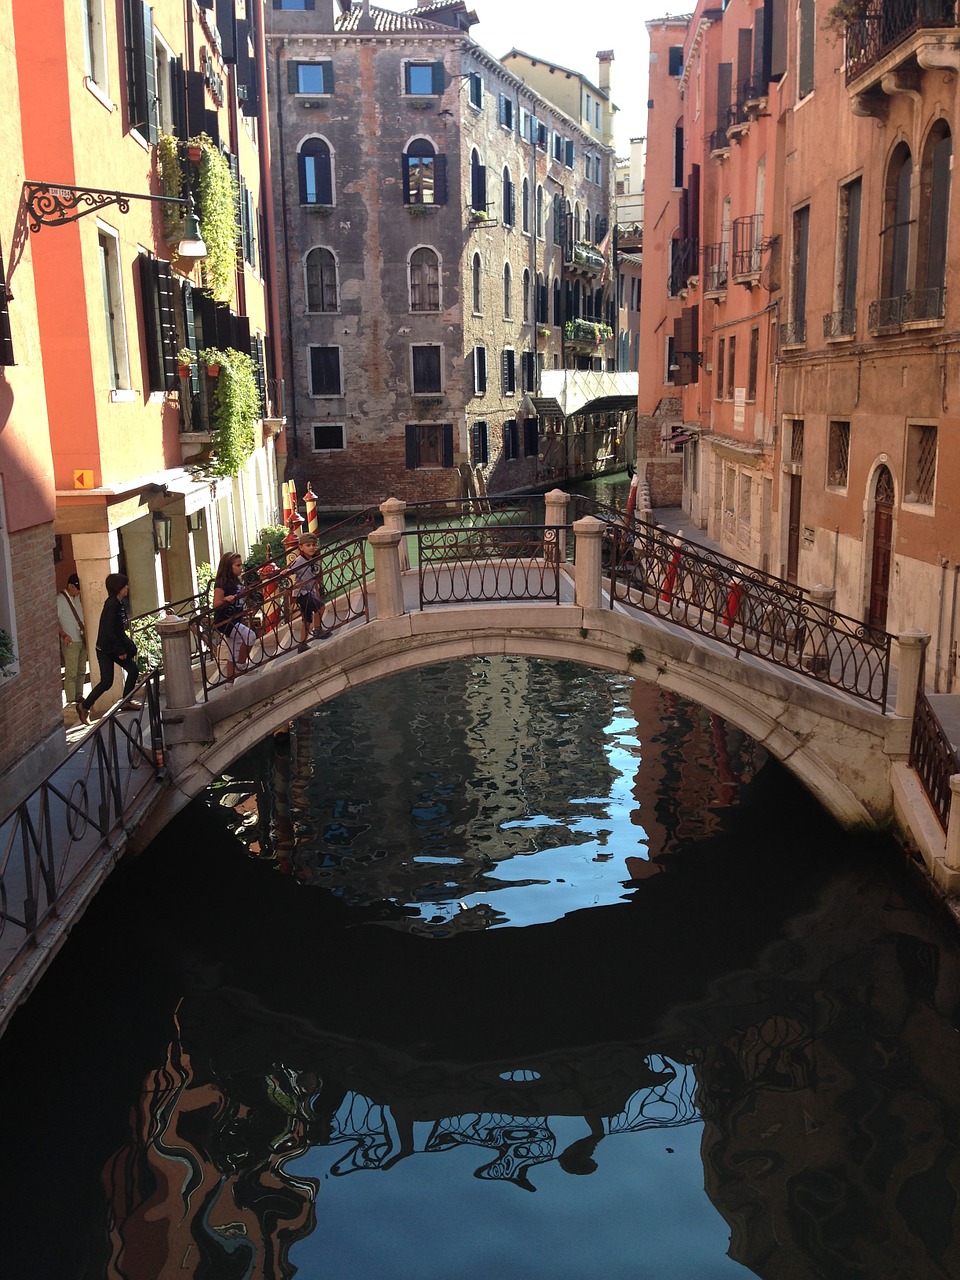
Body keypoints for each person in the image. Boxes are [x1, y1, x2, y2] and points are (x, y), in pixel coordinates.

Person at [77, 573, 139, 723]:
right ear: (118, 587)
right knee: (107, 681)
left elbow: (118, 630)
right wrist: (121, 651)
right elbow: (109, 630)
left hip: (113, 647)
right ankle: (84, 706)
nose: (127, 588)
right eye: (125, 585)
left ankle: (126, 701)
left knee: (133, 670)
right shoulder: (112, 605)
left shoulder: (118, 603)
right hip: (106, 649)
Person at [212, 551, 257, 680]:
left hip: (235, 618)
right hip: (225, 621)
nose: (241, 568)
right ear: (228, 567)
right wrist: (226, 599)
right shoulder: (222, 583)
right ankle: (241, 665)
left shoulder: (236, 581)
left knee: (232, 651)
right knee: (250, 636)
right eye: (238, 565)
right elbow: (216, 604)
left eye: (241, 565)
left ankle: (228, 683)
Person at [287, 532, 331, 648]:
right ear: (301, 547)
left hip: (308, 591)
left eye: (313, 545)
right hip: (301, 593)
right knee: (320, 606)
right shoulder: (299, 560)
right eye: (308, 545)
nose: (311, 548)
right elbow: (290, 569)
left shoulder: (314, 559)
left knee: (307, 618)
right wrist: (284, 572)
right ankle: (317, 630)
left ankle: (302, 644)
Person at [57, 572, 87, 710]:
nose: (79, 591)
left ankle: (79, 695)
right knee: (71, 672)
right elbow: (54, 621)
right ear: (70, 586)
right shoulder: (60, 600)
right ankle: (71, 700)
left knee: (81, 670)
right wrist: (63, 635)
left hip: (81, 638)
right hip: (70, 640)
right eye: (77, 588)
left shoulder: (77, 598)